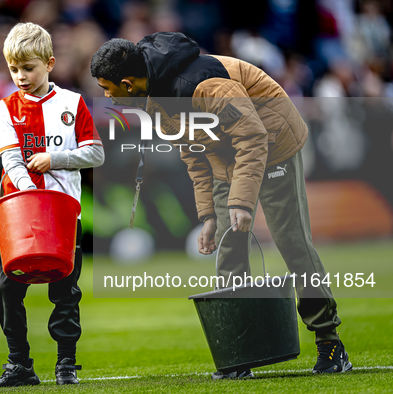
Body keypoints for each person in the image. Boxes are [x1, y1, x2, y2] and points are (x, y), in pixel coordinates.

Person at [90, 32, 352, 378]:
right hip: (226, 152)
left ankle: (330, 344)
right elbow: (193, 151)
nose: (107, 96)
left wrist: (241, 202)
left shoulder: (204, 86)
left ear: (126, 82)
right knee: (228, 248)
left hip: (272, 143)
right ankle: (240, 355)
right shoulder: (149, 95)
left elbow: (253, 137)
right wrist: (209, 216)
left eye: (108, 88)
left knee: (293, 244)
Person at [0, 22, 104, 387]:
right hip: (19, 215)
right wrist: (29, 195)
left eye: (28, 67)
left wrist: (55, 158)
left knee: (66, 292)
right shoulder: (6, 108)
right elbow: (11, 159)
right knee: (8, 289)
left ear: (50, 63)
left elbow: (97, 153)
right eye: (14, 69)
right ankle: (18, 364)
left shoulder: (72, 103)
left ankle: (66, 364)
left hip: (63, 215)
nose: (20, 76)